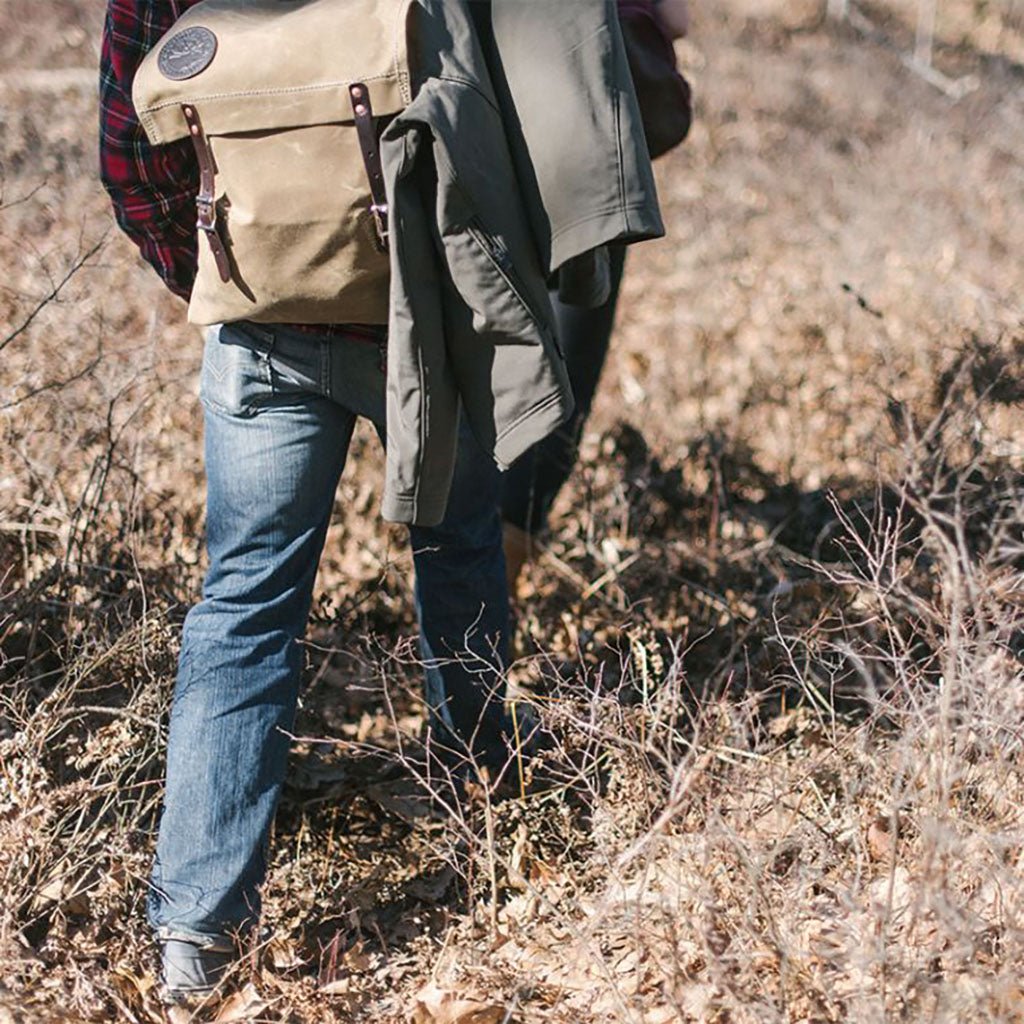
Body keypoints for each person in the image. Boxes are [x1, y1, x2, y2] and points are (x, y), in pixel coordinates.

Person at [100, 0, 514, 1004]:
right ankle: (487, 816)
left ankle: (197, 933)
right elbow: (511, 108)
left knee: (244, 604)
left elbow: (126, 156)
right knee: (458, 549)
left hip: (262, 324)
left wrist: (228, 274)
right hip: (427, 314)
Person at [501, 0, 691, 588]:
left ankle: (455, 569)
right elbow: (677, 20)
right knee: (565, 373)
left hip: (477, 116)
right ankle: (503, 571)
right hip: (585, 130)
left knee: (480, 350)